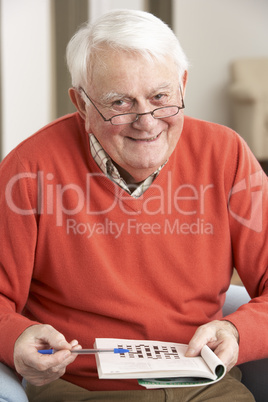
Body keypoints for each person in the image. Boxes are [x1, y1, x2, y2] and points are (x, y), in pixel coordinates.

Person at [0, 9, 267, 401]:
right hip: (83, 388)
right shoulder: (28, 168)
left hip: (205, 384)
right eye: (120, 103)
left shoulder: (227, 155)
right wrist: (16, 337)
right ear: (82, 105)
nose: (147, 121)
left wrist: (237, 331)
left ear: (183, 86)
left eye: (161, 97)